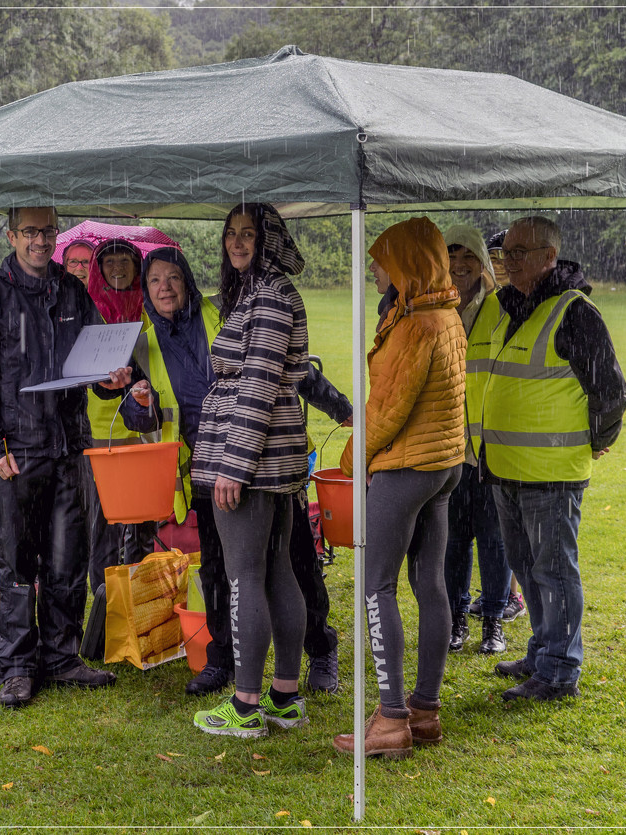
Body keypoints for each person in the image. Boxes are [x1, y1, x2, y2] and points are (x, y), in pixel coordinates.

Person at [121, 246, 350, 698]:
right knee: (219, 572)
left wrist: (339, 407)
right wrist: (139, 403)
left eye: (172, 277)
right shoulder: (140, 343)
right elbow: (137, 416)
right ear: (145, 291)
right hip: (204, 471)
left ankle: (320, 649)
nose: (164, 287)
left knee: (296, 561)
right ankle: (222, 659)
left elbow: (286, 368)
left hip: (263, 460)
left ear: (187, 279)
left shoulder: (224, 311)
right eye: (154, 281)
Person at [0, 206, 126, 709]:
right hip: (16, 451)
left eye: (47, 231)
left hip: (69, 446)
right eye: (29, 232)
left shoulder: (71, 289)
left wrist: (112, 377)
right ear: (11, 235)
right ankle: (15, 665)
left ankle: (61, 656)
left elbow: (94, 357)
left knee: (67, 558)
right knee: (17, 563)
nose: (39, 241)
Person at [475, 215, 626, 702]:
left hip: (550, 474)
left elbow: (611, 391)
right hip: (505, 469)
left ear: (549, 257)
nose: (509, 260)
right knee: (525, 564)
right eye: (506, 252)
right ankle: (543, 649)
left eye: (521, 252)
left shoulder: (575, 312)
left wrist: (599, 438)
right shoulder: (507, 306)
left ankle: (560, 669)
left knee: (554, 571)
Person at [333, 217, 465, 760]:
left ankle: (391, 719)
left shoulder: (415, 326)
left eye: (381, 260)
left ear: (407, 263)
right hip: (444, 465)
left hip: (407, 468)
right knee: (429, 583)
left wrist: (350, 459)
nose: (374, 269)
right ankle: (424, 710)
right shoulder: (445, 314)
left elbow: (386, 410)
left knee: (375, 585)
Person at [189, 203, 311, 738]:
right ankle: (284, 696)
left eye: (248, 235)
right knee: (276, 569)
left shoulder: (269, 295)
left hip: (253, 460)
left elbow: (259, 381)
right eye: (231, 234)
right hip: (273, 456)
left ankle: (245, 706)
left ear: (269, 240)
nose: (237, 243)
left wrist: (233, 467)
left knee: (246, 577)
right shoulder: (258, 291)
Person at [441, 223, 512, 656]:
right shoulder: (437, 307)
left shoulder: (500, 308)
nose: (460, 264)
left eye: (468, 255)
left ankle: (493, 623)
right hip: (449, 445)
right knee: (453, 539)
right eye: (452, 255)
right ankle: (454, 620)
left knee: (493, 539)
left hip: (490, 445)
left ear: (482, 262)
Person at [84, 238, 156, 586]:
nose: (117, 267)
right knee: (106, 521)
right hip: (103, 429)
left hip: (147, 430)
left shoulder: (150, 306)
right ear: (98, 269)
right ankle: (105, 594)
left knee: (144, 518)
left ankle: (141, 590)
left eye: (125, 259)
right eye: (108, 261)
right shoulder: (89, 309)